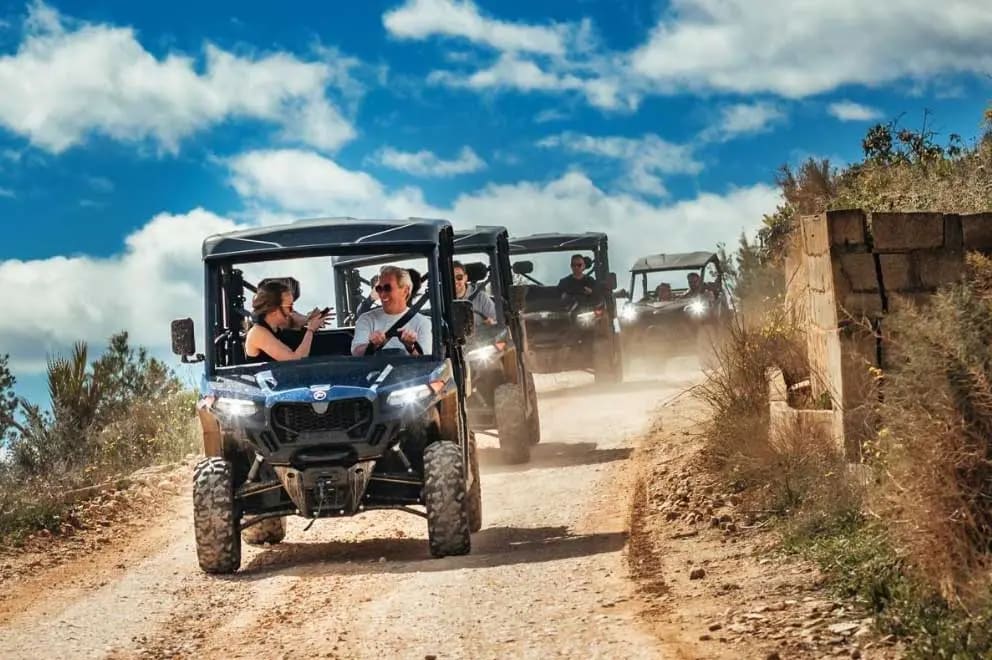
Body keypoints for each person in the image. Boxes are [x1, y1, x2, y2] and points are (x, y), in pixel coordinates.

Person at [351, 265, 432, 356]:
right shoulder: (366, 319)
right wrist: (372, 346)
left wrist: (411, 346)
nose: (382, 294)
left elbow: (426, 361)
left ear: (405, 290)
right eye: (379, 289)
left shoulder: (423, 323)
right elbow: (356, 354)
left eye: (387, 288)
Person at [245, 281, 329, 362]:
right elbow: (296, 360)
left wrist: (313, 319)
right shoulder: (258, 332)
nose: (291, 312)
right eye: (289, 307)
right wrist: (310, 330)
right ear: (274, 309)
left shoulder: (278, 324)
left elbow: (300, 319)